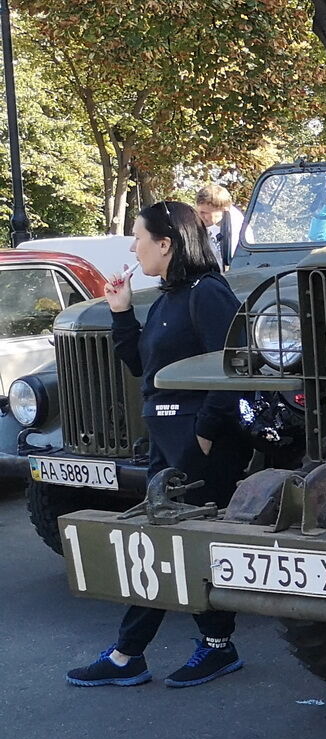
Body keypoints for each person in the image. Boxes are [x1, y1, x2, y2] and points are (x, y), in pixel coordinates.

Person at [66, 202, 252, 690]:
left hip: (195, 443)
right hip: (167, 440)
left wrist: (206, 432)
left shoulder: (206, 293)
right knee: (167, 541)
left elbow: (233, 367)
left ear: (166, 243)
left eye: (138, 236)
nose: (133, 246)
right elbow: (142, 368)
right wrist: (121, 310)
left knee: (167, 539)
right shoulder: (170, 297)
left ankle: (132, 654)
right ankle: (196, 647)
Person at [194, 183, 244, 270]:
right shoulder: (210, 222)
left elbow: (230, 264)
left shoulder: (236, 227)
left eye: (204, 213)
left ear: (223, 210)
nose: (199, 216)